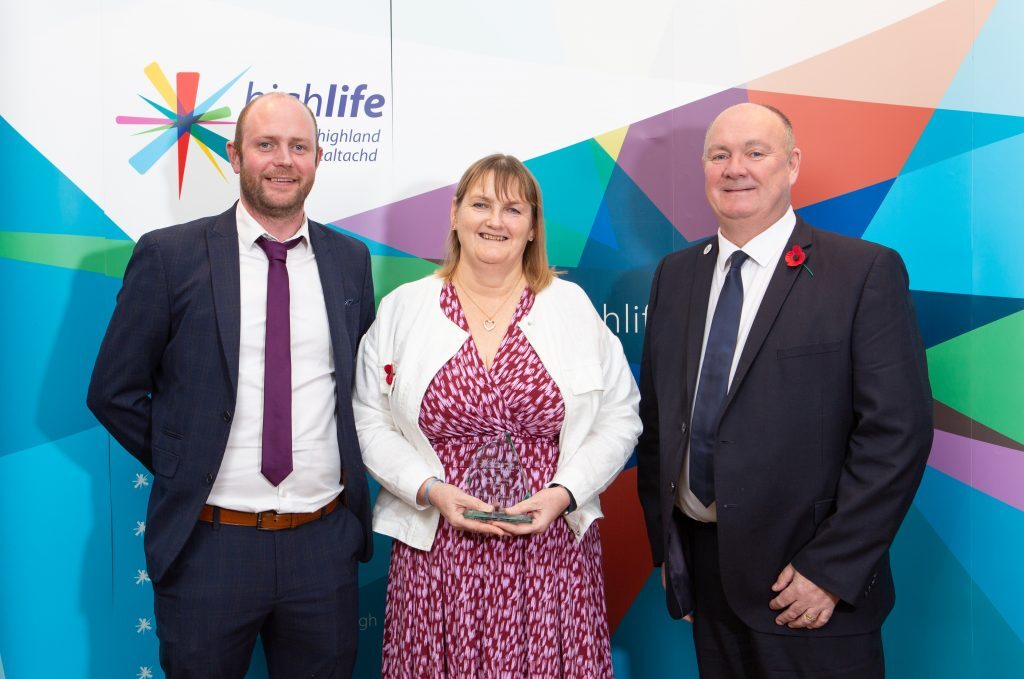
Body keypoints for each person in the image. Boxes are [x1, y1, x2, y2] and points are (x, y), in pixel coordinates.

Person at [636, 103, 933, 678]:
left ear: (792, 165)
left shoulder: (862, 272)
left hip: (807, 584)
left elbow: (897, 435)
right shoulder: (676, 275)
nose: (735, 168)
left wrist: (831, 569)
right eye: (719, 155)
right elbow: (660, 419)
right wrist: (673, 554)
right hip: (706, 574)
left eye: (755, 152)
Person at [87, 92, 374, 678]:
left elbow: (359, 393)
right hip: (210, 546)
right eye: (266, 145)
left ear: (319, 158)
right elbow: (112, 391)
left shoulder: (349, 260)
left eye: (299, 147)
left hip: (322, 547)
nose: (283, 160)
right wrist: (185, 458)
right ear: (235, 154)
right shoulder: (170, 256)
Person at [353, 154, 641, 677]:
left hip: (551, 550)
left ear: (532, 227)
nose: (495, 221)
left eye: (513, 209)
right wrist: (431, 490)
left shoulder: (570, 307)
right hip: (438, 552)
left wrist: (566, 493)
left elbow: (621, 417)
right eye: (481, 204)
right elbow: (369, 420)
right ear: (455, 213)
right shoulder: (404, 309)